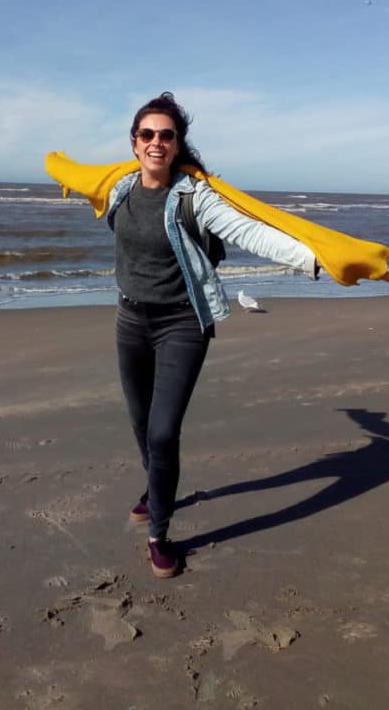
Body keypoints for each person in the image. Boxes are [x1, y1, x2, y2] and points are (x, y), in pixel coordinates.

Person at [108, 92, 319, 578]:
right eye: (148, 134)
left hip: (183, 323)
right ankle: (154, 487)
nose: (156, 142)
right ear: (134, 143)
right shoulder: (119, 189)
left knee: (163, 431)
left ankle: (159, 532)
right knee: (141, 426)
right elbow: (86, 187)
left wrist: (311, 258)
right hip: (130, 321)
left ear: (177, 143)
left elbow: (250, 231)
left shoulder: (193, 196)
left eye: (166, 135)